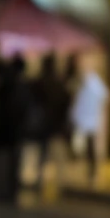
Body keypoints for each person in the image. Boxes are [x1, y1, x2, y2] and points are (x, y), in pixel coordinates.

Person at [0, 55, 31, 204]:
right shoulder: (19, 87)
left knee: (3, 164)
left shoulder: (5, 86)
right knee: (11, 164)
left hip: (5, 132)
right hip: (12, 132)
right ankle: (9, 192)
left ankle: (2, 192)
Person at [31, 53, 71, 191]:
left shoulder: (41, 83)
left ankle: (41, 179)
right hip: (55, 125)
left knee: (44, 153)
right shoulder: (57, 84)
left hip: (46, 124)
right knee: (56, 154)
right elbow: (66, 103)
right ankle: (60, 182)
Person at [70, 60, 110, 188]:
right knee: (88, 147)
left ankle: (92, 172)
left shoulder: (92, 85)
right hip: (89, 121)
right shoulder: (91, 85)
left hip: (89, 121)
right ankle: (91, 172)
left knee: (89, 148)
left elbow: (82, 104)